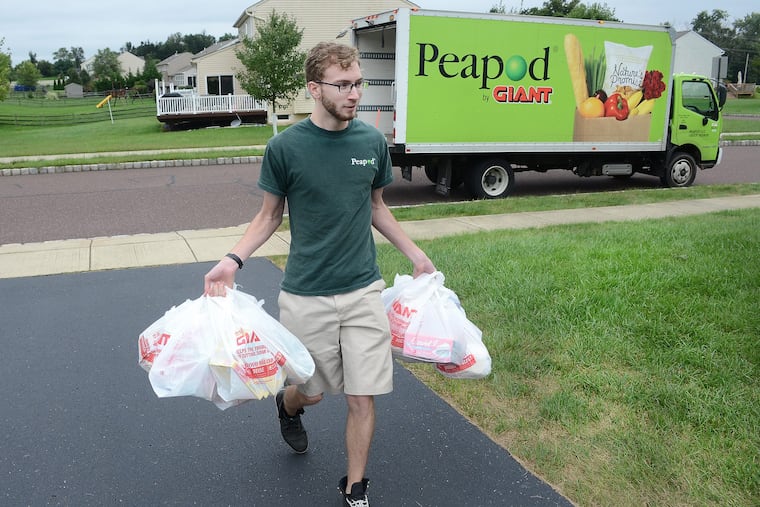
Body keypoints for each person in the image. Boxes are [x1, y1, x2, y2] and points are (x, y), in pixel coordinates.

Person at [203, 41, 436, 507]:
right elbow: (270, 216)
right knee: (310, 392)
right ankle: (288, 408)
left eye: (358, 84)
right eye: (343, 85)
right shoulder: (285, 147)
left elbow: (376, 207)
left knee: (362, 395)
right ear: (315, 88)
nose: (354, 95)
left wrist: (416, 254)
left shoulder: (370, 142)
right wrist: (232, 259)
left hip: (363, 290)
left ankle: (355, 487)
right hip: (306, 294)